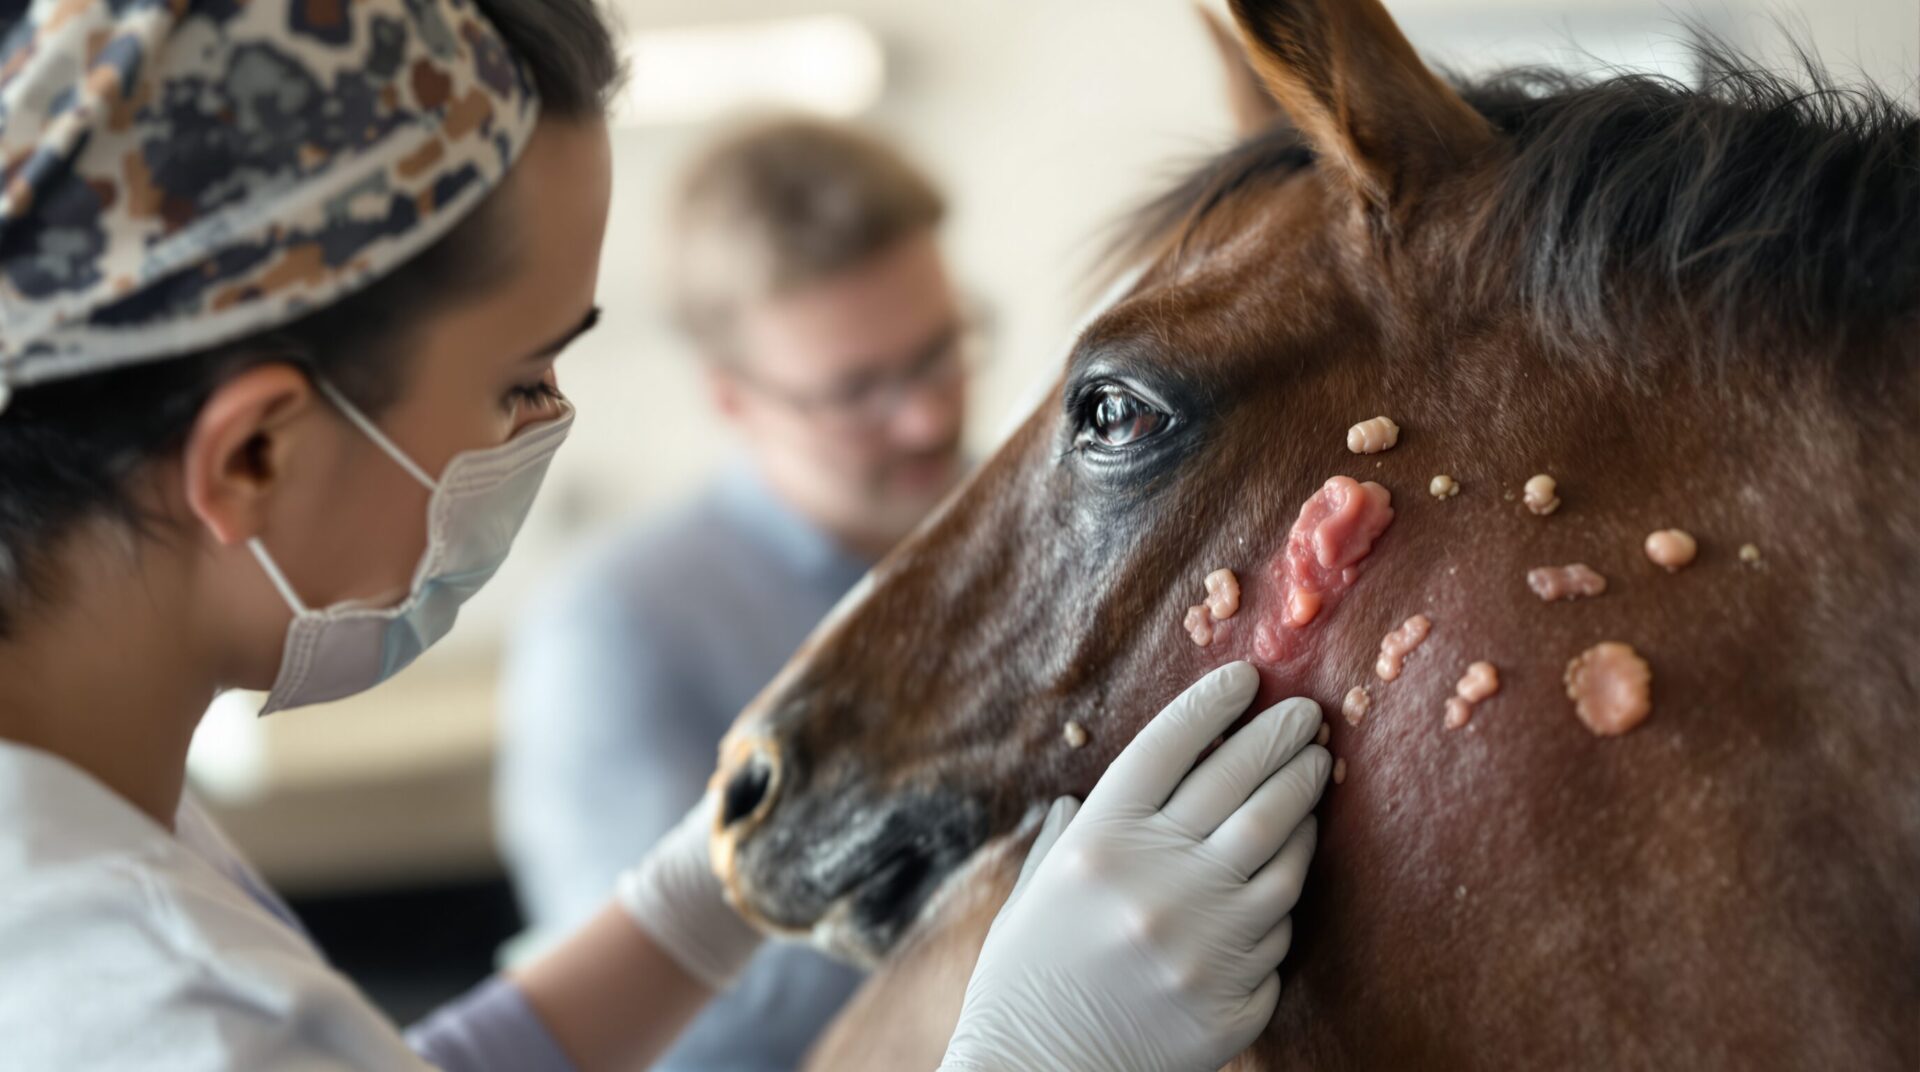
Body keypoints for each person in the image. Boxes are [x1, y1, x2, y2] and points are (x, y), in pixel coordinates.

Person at [0, 3, 1332, 1071]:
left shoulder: (104, 819)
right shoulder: (163, 1011)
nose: (546, 424)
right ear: (254, 455)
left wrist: (699, 895)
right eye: (521, 380)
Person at [495, 117, 968, 1071]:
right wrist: (992, 925)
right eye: (855, 390)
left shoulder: (1044, 530)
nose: (926, 418)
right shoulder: (617, 629)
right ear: (732, 398)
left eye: (940, 351)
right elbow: (670, 1029)